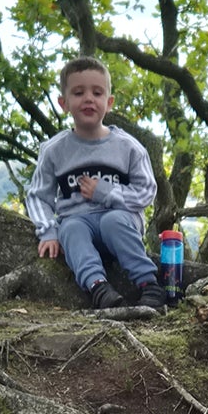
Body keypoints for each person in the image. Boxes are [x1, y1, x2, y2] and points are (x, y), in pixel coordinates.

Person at [26, 57, 165, 311]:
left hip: (120, 220)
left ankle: (149, 284)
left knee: (113, 221)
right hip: (78, 221)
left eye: (97, 92)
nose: (88, 99)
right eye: (78, 93)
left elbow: (147, 191)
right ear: (64, 103)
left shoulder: (128, 147)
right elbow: (37, 196)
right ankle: (98, 288)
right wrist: (47, 230)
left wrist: (106, 193)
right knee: (70, 229)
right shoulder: (54, 150)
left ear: (109, 103)